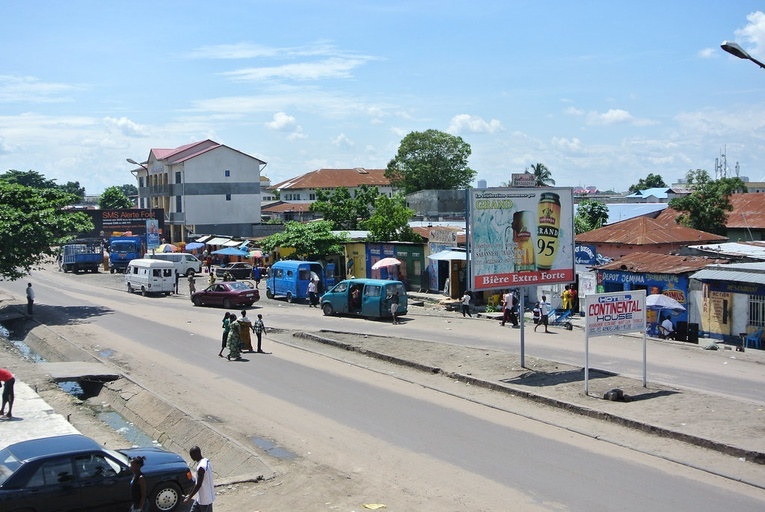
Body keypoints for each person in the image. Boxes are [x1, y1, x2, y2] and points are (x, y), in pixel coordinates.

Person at [184, 446, 215, 511]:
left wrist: (189, 498)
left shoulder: (201, 467)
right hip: (200, 498)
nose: (191, 457)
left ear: (196, 454)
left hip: (206, 500)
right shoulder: (206, 461)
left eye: (192, 455)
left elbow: (198, 484)